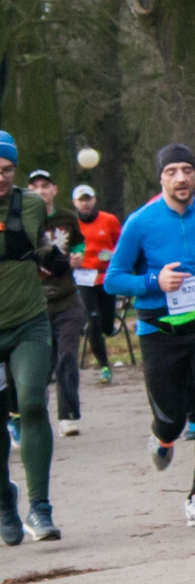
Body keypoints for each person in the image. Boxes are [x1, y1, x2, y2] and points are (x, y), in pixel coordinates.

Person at [105, 144, 195, 528]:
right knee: (171, 420)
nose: (181, 178)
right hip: (158, 334)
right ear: (161, 177)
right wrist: (154, 281)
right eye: (172, 171)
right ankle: (162, 438)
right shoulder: (140, 222)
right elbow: (113, 280)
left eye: (187, 170)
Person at [0, 141, 64, 542]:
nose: (0, 177)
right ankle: (5, 501)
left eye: (7, 169)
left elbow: (31, 246)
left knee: (31, 403)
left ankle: (40, 508)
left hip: (28, 322)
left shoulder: (30, 205)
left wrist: (50, 257)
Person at [29, 171, 88, 437]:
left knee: (66, 357)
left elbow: (79, 244)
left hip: (67, 299)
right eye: (35, 187)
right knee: (39, 364)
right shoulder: (24, 218)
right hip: (35, 302)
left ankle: (68, 415)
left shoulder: (66, 217)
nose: (41, 191)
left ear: (54, 189)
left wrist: (77, 257)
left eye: (45, 186)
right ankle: (32, 416)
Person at [72, 185, 122, 385]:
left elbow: (121, 245)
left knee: (107, 324)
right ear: (75, 203)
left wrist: (112, 255)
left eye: (88, 199)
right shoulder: (71, 224)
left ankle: (104, 329)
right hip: (83, 279)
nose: (85, 203)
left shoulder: (109, 220)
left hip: (105, 277)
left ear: (94, 200)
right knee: (93, 320)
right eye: (81, 200)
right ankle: (104, 366)